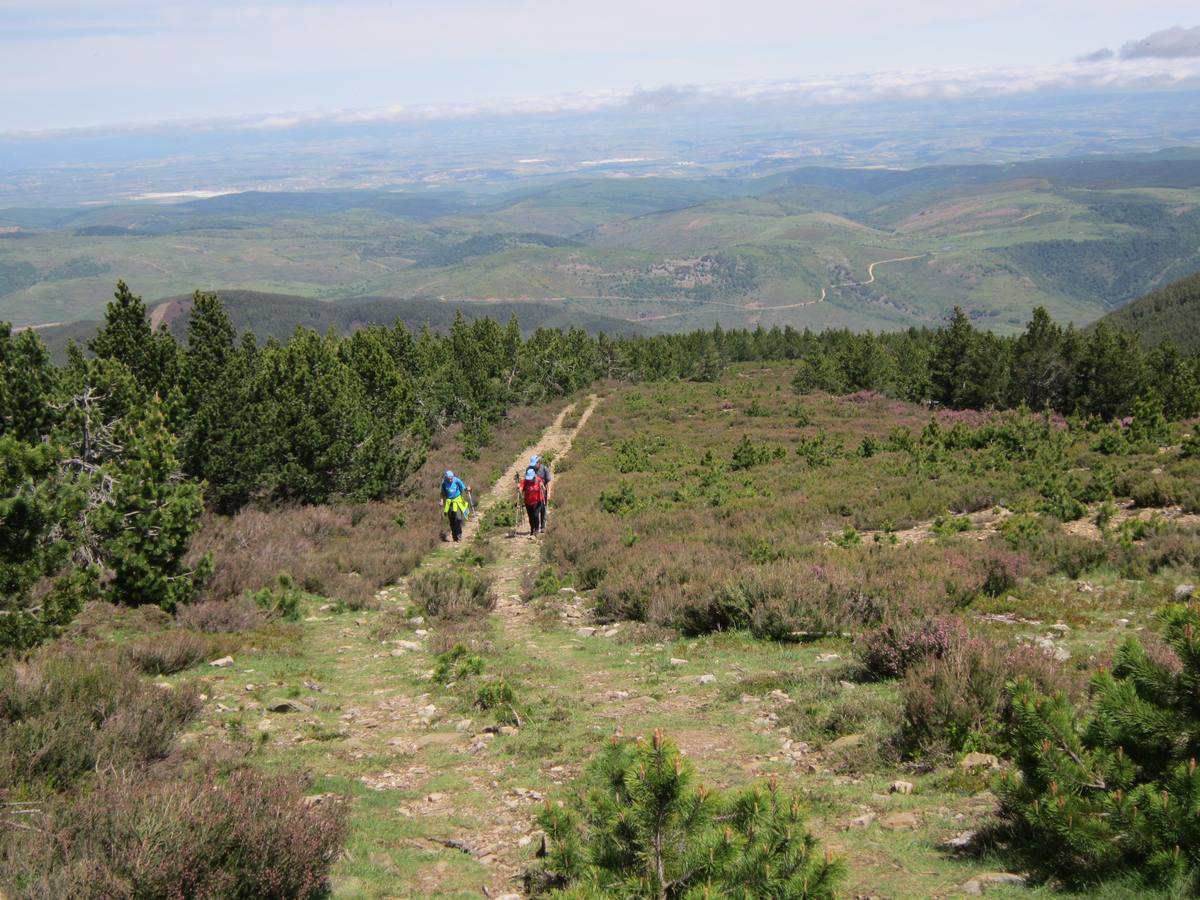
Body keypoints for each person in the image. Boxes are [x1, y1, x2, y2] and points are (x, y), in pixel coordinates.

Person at [440, 470, 470, 542]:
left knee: (458, 518)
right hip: (449, 503)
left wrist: (468, 489)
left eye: (451, 478)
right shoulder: (444, 483)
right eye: (449, 478)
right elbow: (442, 494)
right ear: (446, 478)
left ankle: (459, 535)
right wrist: (441, 501)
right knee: (452, 520)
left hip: (457, 501)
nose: (450, 480)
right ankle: (454, 536)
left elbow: (463, 488)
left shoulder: (457, 480)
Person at [517, 464, 547, 537]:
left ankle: (536, 529)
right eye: (528, 478)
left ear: (534, 476)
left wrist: (542, 486)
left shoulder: (538, 480)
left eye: (530, 478)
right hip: (528, 502)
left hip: (537, 501)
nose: (529, 480)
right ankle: (532, 529)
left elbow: (544, 488)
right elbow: (521, 487)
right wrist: (519, 489)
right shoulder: (525, 481)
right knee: (531, 517)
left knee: (536, 515)